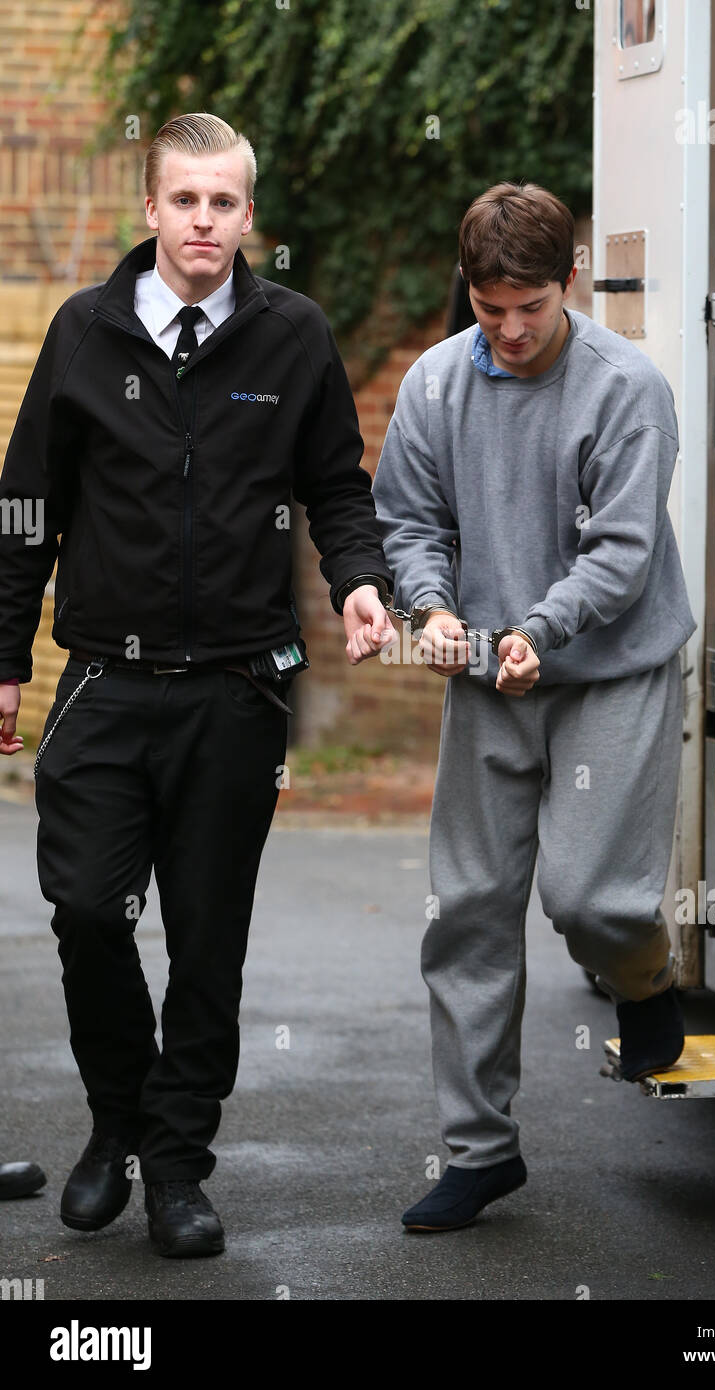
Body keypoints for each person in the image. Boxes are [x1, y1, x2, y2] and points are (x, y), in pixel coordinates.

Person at [0, 112, 395, 1257]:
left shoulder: (292, 336)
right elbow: (26, 507)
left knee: (207, 941)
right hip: (104, 685)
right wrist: (6, 658)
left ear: (247, 215)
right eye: (185, 200)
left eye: (224, 203)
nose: (204, 222)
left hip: (234, 691)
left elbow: (337, 487)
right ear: (151, 208)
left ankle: (175, 1165)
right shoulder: (85, 332)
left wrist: (361, 581)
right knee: (86, 913)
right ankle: (116, 1120)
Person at [372, 181, 697, 1232]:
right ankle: (478, 1151)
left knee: (591, 898)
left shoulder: (625, 387)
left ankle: (645, 986)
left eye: (531, 308)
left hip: (610, 667)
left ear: (570, 283)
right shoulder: (431, 385)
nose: (509, 332)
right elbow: (409, 519)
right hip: (487, 680)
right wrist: (429, 606)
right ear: (466, 290)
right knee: (466, 912)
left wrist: (538, 629)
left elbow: (621, 550)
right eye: (488, 308)